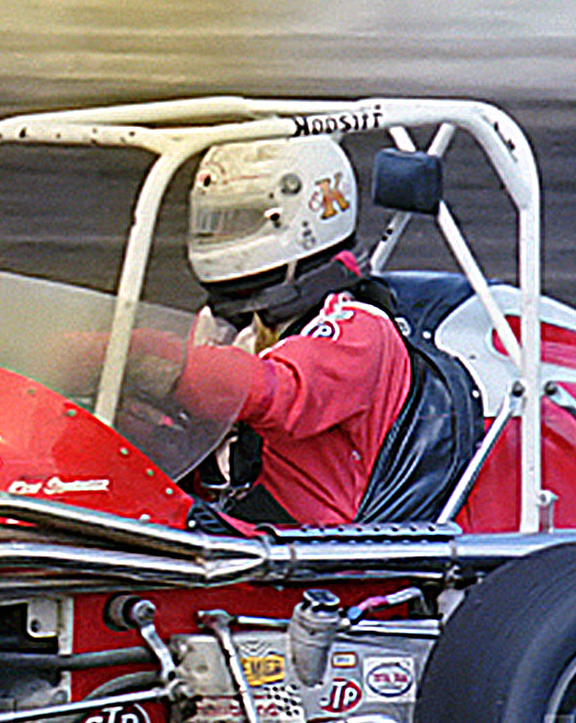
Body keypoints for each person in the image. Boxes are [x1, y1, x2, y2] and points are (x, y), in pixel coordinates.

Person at [173, 136, 412, 528]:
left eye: (238, 221)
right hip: (224, 527)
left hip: (311, 546)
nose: (219, 237)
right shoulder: (225, 324)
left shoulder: (358, 327)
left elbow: (282, 392)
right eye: (213, 223)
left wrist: (154, 358)